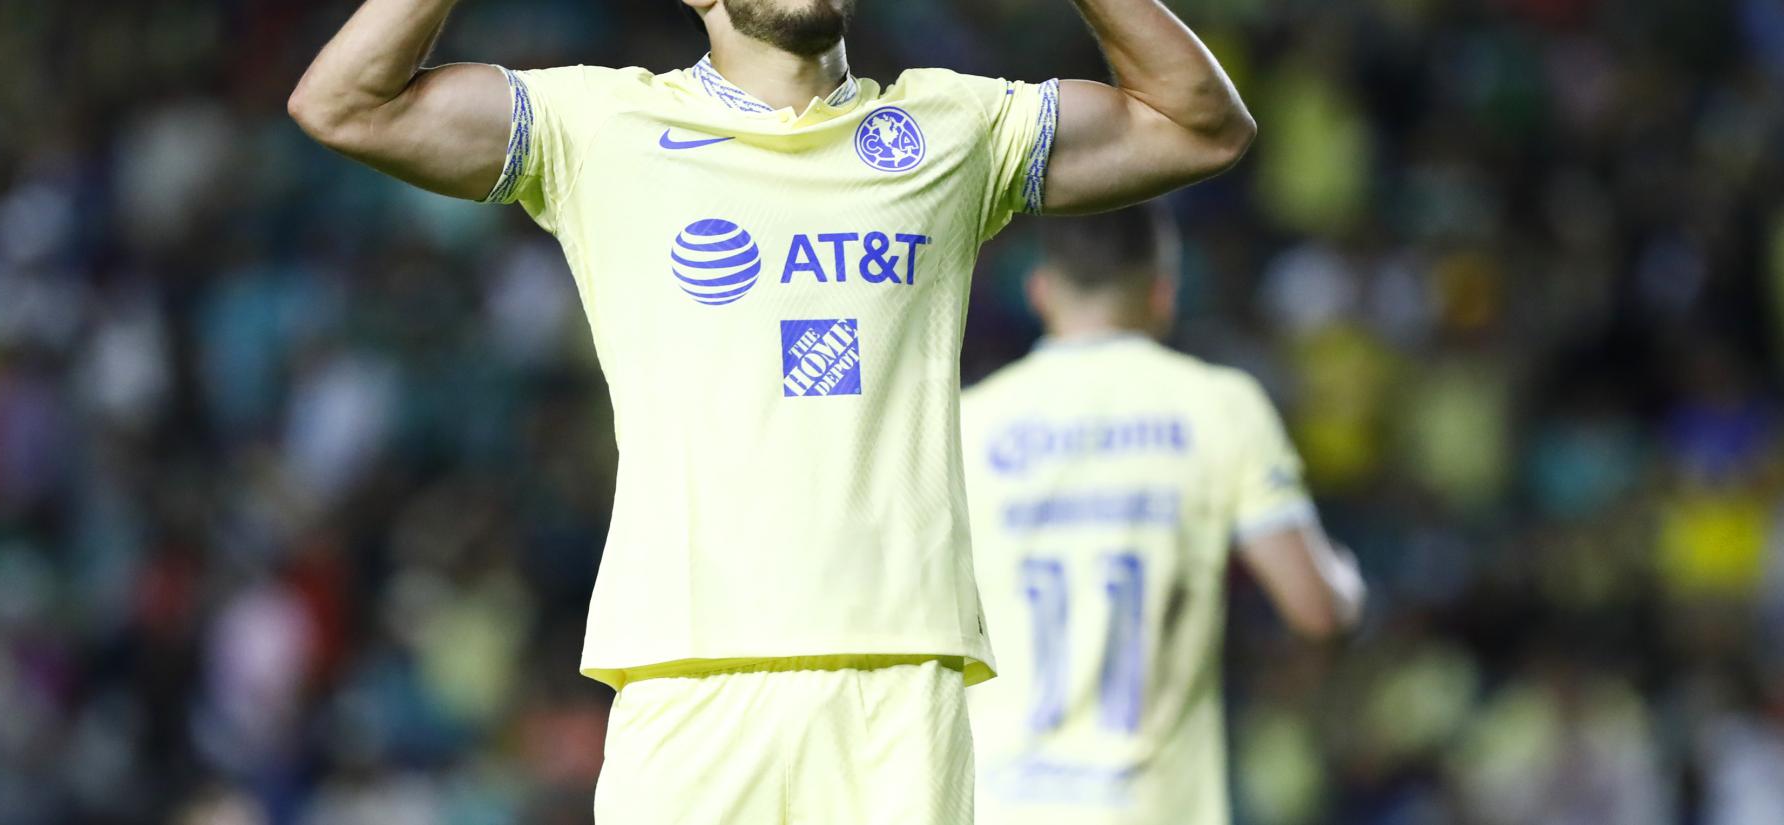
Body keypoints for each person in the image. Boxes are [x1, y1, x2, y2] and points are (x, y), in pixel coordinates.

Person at [288, 0, 1254, 819]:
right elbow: (342, 102)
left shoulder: (953, 128)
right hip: (685, 671)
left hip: (900, 678)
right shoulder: (599, 125)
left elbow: (1200, 125)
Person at [959, 202, 1366, 825]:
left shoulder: (968, 421)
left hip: (997, 802)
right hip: (1148, 807)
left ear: (1040, 292)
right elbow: (1315, 608)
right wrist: (1347, 580)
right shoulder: (1220, 407)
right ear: (1163, 293)